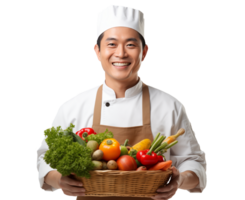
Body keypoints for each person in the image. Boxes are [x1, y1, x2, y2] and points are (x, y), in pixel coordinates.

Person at [35, 4, 208, 200]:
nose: (121, 53)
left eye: (131, 44)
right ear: (96, 51)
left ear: (145, 52)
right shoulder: (72, 106)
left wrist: (181, 180)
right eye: (111, 44)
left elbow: (195, 163)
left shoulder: (170, 106)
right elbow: (44, 158)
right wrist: (58, 179)